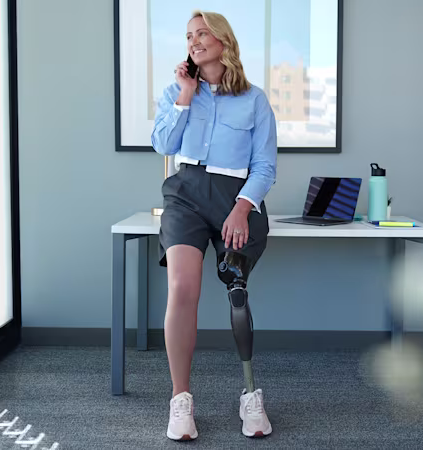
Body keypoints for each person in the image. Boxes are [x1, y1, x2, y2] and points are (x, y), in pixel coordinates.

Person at [150, 10, 277, 440]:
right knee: (183, 288)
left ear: (223, 40)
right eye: (189, 36)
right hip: (184, 193)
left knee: (236, 291)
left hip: (234, 198)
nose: (194, 41)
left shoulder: (255, 99)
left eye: (202, 33)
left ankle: (250, 395)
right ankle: (180, 401)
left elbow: (264, 166)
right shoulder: (175, 91)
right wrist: (185, 94)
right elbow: (163, 144)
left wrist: (243, 208)